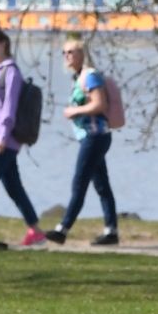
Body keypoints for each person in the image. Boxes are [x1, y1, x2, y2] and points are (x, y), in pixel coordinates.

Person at [0, 26, 46, 246]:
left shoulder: (11, 72)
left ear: (3, 45)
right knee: (14, 187)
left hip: (5, 140)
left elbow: (8, 110)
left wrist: (2, 139)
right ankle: (36, 232)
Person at [45, 37, 118, 246]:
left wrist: (74, 111)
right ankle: (111, 231)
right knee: (102, 184)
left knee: (80, 182)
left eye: (71, 52)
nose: (66, 56)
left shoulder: (90, 76)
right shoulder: (78, 78)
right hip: (90, 137)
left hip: (96, 137)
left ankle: (63, 229)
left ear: (82, 54)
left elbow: (100, 104)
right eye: (64, 52)